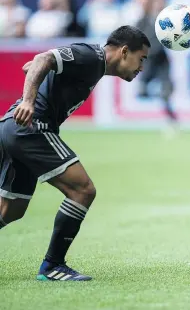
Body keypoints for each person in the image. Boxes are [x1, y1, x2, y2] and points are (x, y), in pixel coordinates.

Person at [0, 25, 150, 281]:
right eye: (141, 59)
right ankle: (53, 265)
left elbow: (40, 64)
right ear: (125, 51)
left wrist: (36, 76)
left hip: (14, 128)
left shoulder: (93, 65)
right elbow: (43, 59)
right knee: (83, 190)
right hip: (31, 127)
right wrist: (28, 99)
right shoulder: (92, 57)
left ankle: (52, 266)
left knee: (10, 210)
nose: (141, 68)